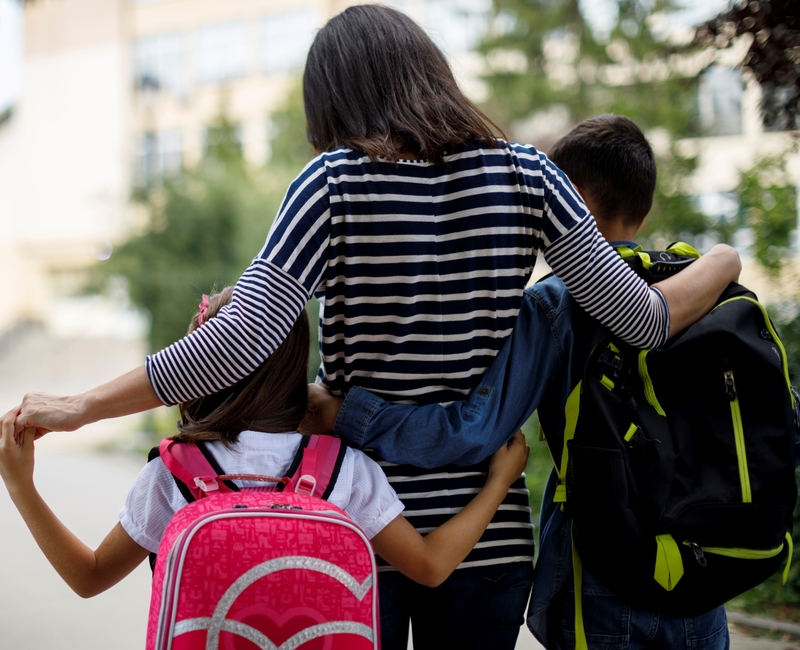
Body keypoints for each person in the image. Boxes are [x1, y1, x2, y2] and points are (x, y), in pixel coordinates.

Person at [13, 6, 741, 649]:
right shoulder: (530, 177)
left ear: (335, 101)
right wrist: (723, 259)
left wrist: (79, 407)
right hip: (487, 532)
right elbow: (644, 322)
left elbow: (238, 341)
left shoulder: (332, 183)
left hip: (354, 524)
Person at [305, 115, 734, 649]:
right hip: (705, 576)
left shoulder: (554, 306)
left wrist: (345, 413)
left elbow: (472, 431)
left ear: (567, 200)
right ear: (641, 214)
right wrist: (724, 257)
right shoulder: (700, 289)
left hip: (607, 569)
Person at [0, 287, 530, 603]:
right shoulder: (343, 469)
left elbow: (89, 578)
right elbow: (431, 567)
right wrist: (498, 484)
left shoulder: (173, 474)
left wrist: (21, 485)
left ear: (195, 370)